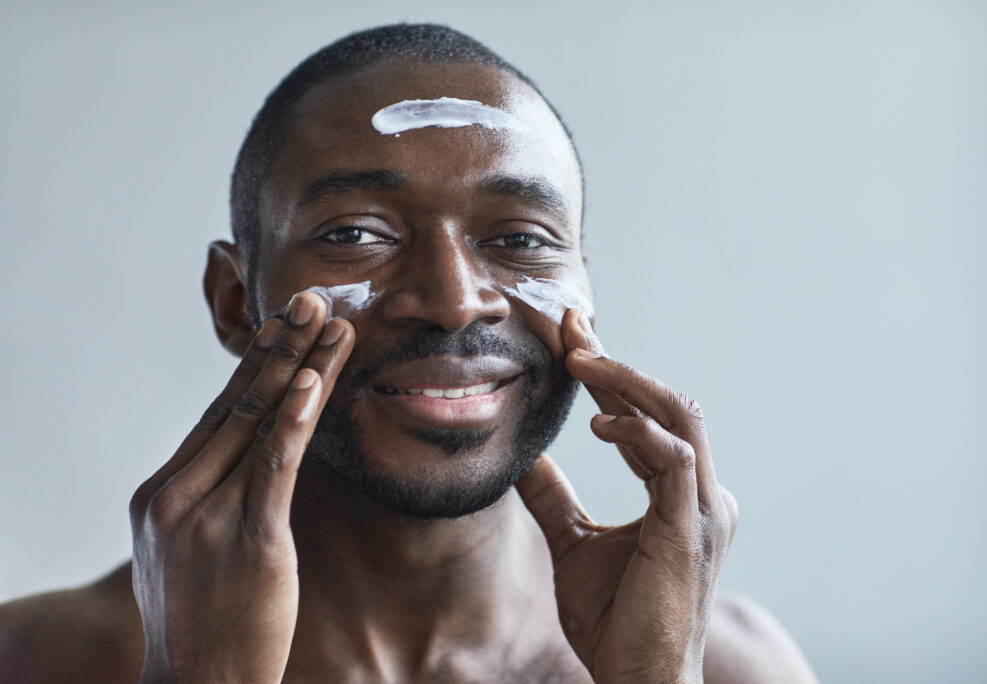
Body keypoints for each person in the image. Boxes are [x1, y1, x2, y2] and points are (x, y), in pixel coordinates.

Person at [0, 24, 818, 683]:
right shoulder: (36, 661)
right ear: (233, 302)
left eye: (521, 239)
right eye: (356, 234)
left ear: (584, 296)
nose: (457, 298)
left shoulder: (730, 669)